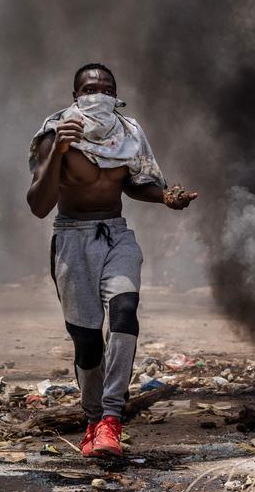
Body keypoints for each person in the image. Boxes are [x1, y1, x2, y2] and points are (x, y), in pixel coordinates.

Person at [27, 64, 196, 459]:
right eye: (90, 88)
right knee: (87, 341)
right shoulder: (55, 134)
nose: (98, 93)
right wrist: (61, 152)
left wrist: (166, 197)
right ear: (75, 97)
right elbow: (38, 205)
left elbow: (137, 183)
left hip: (116, 235)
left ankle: (111, 418)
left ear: (117, 95)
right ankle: (92, 419)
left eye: (106, 88)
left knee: (124, 312)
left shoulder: (128, 133)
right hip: (72, 240)